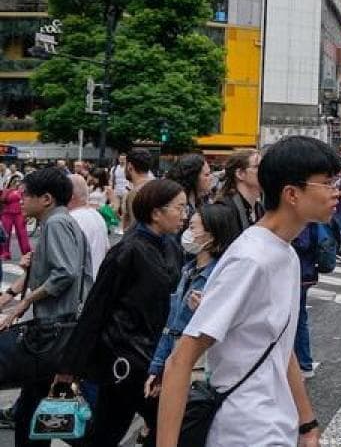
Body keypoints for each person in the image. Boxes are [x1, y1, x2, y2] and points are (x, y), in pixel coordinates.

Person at [157, 136, 339, 447]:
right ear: (292, 194)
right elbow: (180, 359)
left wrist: (307, 425)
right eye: (327, 182)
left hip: (275, 425)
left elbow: (281, 347)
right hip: (245, 430)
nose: (337, 191)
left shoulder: (286, 254)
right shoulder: (250, 259)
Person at [56, 178, 187, 445]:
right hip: (125, 358)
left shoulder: (172, 246)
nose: (184, 215)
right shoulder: (127, 251)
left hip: (156, 354)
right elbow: (96, 309)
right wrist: (70, 367)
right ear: (156, 213)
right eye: (179, 208)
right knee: (168, 424)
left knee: (108, 430)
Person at [0, 167, 91, 447]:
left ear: (47, 199)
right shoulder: (62, 222)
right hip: (59, 327)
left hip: (53, 328)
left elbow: (66, 272)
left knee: (36, 407)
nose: (20, 199)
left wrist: (26, 300)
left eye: (26, 195)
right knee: (37, 404)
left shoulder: (56, 224)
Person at [146, 203, 241, 394]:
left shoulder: (223, 276)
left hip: (200, 367)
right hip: (177, 359)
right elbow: (171, 326)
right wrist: (157, 366)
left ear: (212, 235)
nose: (187, 233)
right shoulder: (188, 270)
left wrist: (206, 310)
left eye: (193, 227)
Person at [291, 218, 325, 379]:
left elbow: (303, 243)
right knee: (298, 318)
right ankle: (303, 363)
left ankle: (303, 364)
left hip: (301, 273)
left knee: (297, 319)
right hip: (303, 272)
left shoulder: (302, 218)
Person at [68, 174, 109, 279]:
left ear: (70, 195)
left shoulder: (71, 220)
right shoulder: (96, 215)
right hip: (97, 280)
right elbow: (106, 249)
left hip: (81, 285)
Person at [217, 150, 263, 231]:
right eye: (257, 167)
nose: (264, 171)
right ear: (240, 174)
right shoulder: (222, 211)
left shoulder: (260, 209)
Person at [166, 153, 212, 221]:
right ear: (193, 177)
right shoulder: (176, 204)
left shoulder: (205, 200)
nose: (211, 177)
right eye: (207, 175)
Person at [120, 149, 155, 233]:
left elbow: (135, 226)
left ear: (129, 166)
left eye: (125, 164)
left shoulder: (136, 192)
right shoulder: (156, 186)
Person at [0, 172, 29, 261]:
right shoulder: (5, 190)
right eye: (15, 180)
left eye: (19, 181)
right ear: (11, 181)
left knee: (22, 234)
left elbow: (27, 202)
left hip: (19, 214)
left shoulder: (23, 191)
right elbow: (2, 200)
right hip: (7, 214)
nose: (17, 182)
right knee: (6, 235)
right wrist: (9, 190)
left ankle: (27, 252)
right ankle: (5, 253)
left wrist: (27, 214)